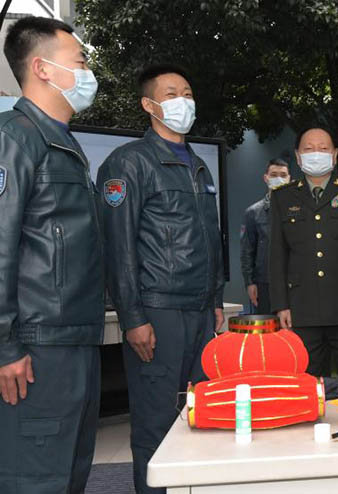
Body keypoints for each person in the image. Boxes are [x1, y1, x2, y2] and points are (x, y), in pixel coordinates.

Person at [97, 64, 225, 494]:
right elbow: (118, 246)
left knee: (201, 415)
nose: (183, 101)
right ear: (149, 104)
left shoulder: (199, 168)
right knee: (156, 422)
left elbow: (209, 238)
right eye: (171, 93)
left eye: (187, 92)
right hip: (158, 309)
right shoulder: (129, 162)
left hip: (201, 311)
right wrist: (133, 316)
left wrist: (217, 301)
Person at [0, 16, 104, 493]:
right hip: (35, 347)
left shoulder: (60, 141)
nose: (87, 72)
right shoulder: (14, 138)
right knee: (36, 476)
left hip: (73, 338)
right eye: (79, 62)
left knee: (69, 470)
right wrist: (6, 348)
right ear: (42, 68)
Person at [269, 128, 338, 376]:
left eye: (323, 148)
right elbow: (277, 254)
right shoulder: (283, 197)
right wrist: (280, 305)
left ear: (335, 154)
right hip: (302, 308)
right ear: (298, 157)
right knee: (307, 381)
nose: (316, 154)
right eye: (308, 149)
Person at [240, 157, 290, 314]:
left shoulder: (299, 210)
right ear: (266, 178)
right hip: (264, 283)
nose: (279, 179)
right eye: (274, 174)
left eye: (283, 175)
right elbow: (247, 251)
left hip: (294, 281)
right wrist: (249, 283)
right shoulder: (253, 213)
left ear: (290, 179)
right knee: (267, 332)